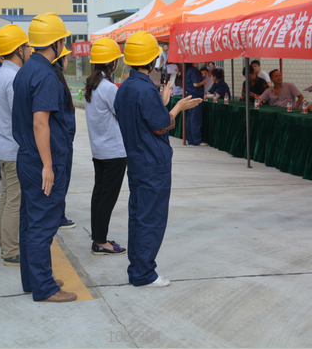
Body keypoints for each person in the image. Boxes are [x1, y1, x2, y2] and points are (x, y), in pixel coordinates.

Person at [114, 31, 201, 288]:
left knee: (138, 216)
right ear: (152, 61)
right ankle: (144, 273)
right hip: (153, 162)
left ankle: (137, 268)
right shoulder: (145, 89)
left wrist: (161, 102)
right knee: (151, 219)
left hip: (136, 160)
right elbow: (161, 125)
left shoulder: (125, 87)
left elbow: (140, 119)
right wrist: (177, 107)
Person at [12, 12, 77, 302]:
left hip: (27, 157)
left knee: (30, 222)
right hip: (42, 160)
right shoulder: (46, 74)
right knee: (42, 225)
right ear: (57, 42)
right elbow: (40, 123)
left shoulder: (26, 69)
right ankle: (45, 287)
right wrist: (48, 166)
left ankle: (34, 279)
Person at [0, 25, 31, 266]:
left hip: (3, 147)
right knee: (14, 202)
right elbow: (21, 115)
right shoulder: (14, 77)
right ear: (18, 49)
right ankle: (10, 250)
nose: (29, 50)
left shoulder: (2, 73)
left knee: (6, 198)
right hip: (14, 149)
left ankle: (4, 245)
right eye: (27, 46)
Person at [85, 37, 127, 255]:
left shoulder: (92, 85)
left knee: (99, 194)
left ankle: (98, 237)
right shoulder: (109, 87)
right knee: (107, 198)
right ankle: (100, 241)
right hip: (114, 152)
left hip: (100, 150)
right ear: (113, 63)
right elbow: (123, 115)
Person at [52, 46, 77, 230]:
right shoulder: (57, 83)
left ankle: (58, 215)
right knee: (61, 180)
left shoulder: (55, 79)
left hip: (62, 140)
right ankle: (58, 216)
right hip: (62, 142)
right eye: (66, 58)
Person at [184, 62, 206, 146]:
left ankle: (191, 139)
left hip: (191, 95)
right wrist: (203, 82)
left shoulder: (189, 70)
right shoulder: (194, 70)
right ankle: (197, 140)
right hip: (196, 96)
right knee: (195, 118)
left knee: (191, 118)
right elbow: (196, 84)